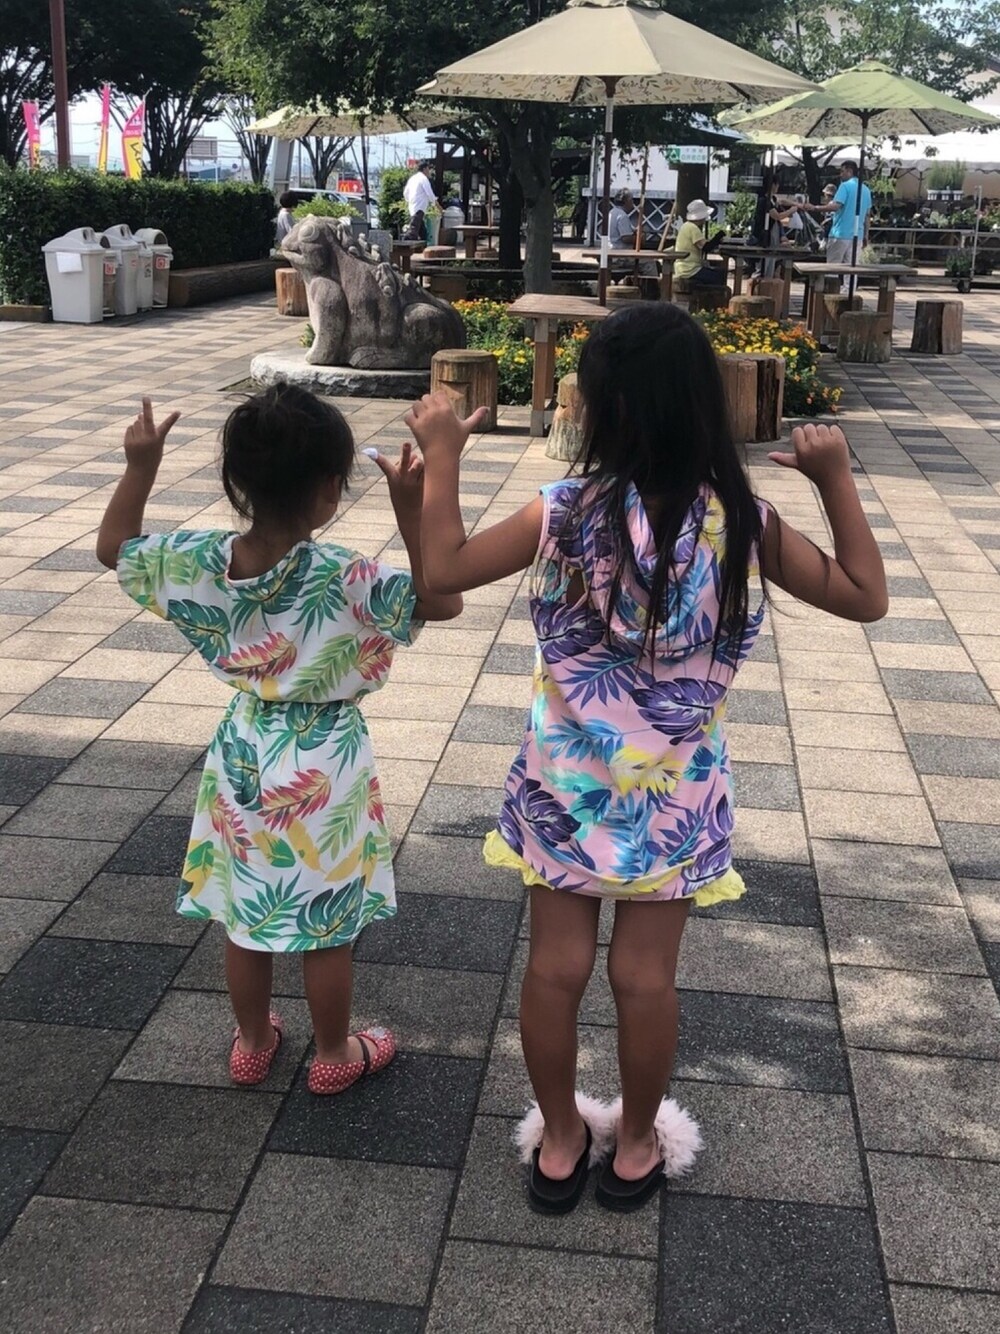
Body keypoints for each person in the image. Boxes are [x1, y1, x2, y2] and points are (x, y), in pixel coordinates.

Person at [410, 302, 887, 1214]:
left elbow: (442, 571)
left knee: (555, 970)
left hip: (564, 789)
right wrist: (834, 481)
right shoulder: (742, 524)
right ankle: (635, 1147)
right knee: (644, 979)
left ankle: (559, 1141)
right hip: (674, 798)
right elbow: (867, 596)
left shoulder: (561, 512)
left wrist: (442, 455)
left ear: (605, 411)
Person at [96, 386, 462, 1093]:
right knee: (325, 924)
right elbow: (442, 598)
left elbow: (115, 549)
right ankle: (334, 1053)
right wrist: (410, 509)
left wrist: (141, 466)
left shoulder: (200, 560)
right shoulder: (346, 576)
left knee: (245, 911)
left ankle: (253, 1041)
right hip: (326, 762)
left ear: (239, 482)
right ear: (329, 488)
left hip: (242, 753)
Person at [807, 160, 873, 268]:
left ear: (850, 171)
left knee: (833, 267)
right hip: (857, 235)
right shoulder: (866, 190)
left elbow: (836, 206)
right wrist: (866, 235)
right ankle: (849, 281)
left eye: (842, 171)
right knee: (852, 269)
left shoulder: (845, 186)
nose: (840, 175)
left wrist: (815, 208)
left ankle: (832, 280)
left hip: (840, 233)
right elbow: (867, 215)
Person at [674, 199, 726, 287]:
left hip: (682, 268)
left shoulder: (685, 226)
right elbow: (706, 248)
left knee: (716, 273)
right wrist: (718, 237)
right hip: (690, 269)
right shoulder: (693, 228)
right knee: (719, 276)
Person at [607, 188, 656, 280]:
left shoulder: (612, 213)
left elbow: (625, 231)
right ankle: (651, 286)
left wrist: (635, 231)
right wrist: (639, 238)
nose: (633, 203)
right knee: (650, 263)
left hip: (612, 252)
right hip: (621, 256)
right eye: (632, 200)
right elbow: (625, 238)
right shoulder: (622, 216)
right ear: (627, 201)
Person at [403, 160, 437, 241]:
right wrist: (436, 204)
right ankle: (404, 244)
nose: (429, 171)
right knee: (413, 231)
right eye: (428, 169)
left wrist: (410, 201)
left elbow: (405, 193)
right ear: (424, 169)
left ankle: (423, 246)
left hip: (412, 206)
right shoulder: (423, 179)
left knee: (422, 232)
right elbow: (430, 193)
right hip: (420, 207)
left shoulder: (412, 178)